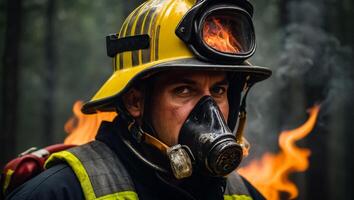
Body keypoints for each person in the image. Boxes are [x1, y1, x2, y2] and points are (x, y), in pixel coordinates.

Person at [5, 0, 271, 199]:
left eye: (218, 91)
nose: (210, 111)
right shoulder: (60, 192)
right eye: (184, 91)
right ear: (135, 102)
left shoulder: (242, 194)